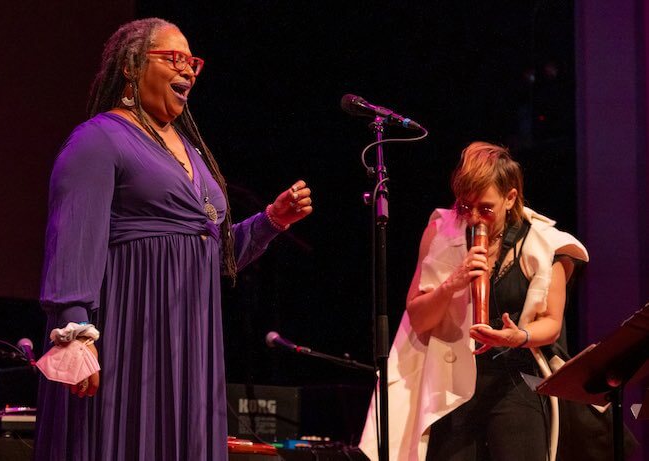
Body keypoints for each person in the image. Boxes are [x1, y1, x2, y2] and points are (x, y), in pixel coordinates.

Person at [35, 18, 313, 461]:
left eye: (193, 62)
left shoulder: (191, 152)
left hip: (189, 347)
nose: (188, 71)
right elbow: (73, 237)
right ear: (130, 66)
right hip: (128, 335)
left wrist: (270, 222)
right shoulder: (100, 139)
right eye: (174, 58)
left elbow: (209, 254)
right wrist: (75, 331)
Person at [359, 142, 589, 461]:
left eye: (485, 208)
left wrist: (517, 336)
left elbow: (551, 323)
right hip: (452, 381)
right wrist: (453, 282)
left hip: (515, 377)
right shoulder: (442, 230)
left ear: (510, 198)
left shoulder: (546, 243)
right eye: (466, 207)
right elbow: (419, 317)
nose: (474, 217)